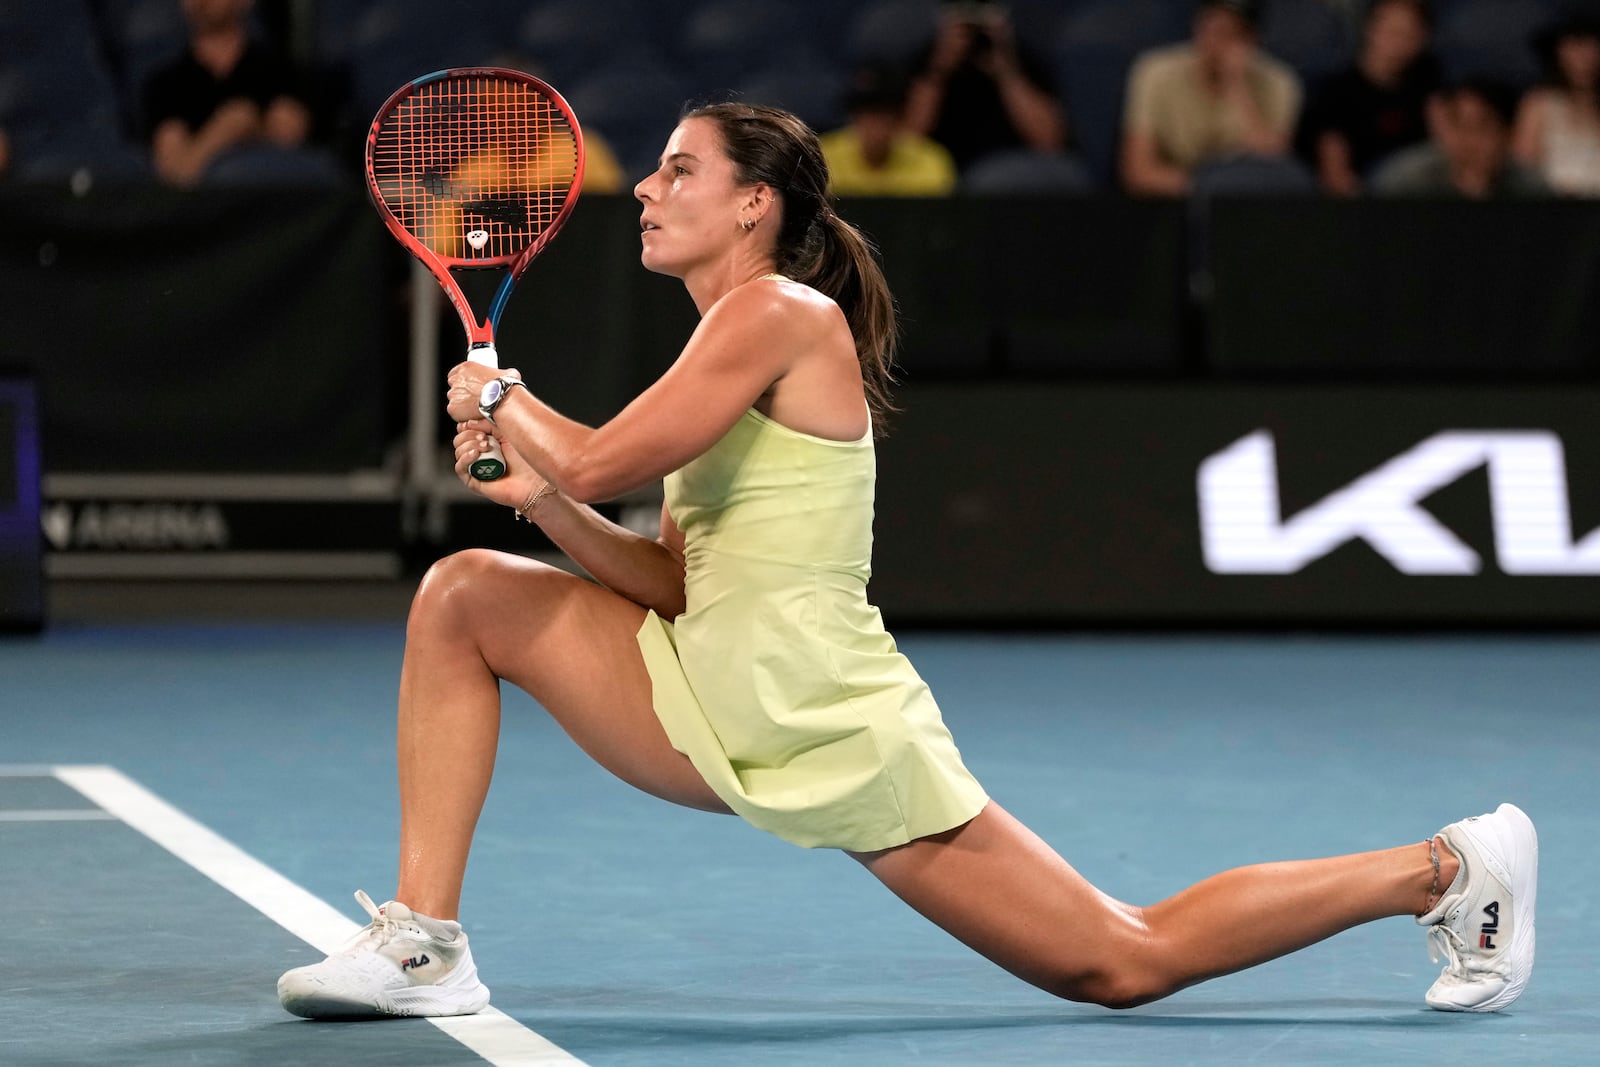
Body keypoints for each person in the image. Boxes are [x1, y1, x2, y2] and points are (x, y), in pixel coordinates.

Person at [275, 101, 1538, 1021]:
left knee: (1119, 958)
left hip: (822, 710)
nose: (647, 191)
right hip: (705, 674)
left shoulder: (779, 311)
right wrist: (541, 504)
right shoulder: (726, 329)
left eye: (677, 171)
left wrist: (507, 404)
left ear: (753, 203)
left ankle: (1443, 870)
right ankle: (424, 941)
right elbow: (668, 576)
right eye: (651, 174)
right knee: (467, 593)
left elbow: (600, 455)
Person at [1121, 0, 1304, 196]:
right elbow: (1138, 171)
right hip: (1174, 201)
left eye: (1229, 34)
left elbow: (1274, 169)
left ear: (1251, 40)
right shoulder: (1155, 72)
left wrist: (1236, 86)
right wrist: (1208, 188)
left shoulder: (1279, 82)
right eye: (1208, 28)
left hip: (1248, 201)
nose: (1213, 41)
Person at [141, 0, 313, 186]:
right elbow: (174, 169)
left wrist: (242, 128)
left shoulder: (281, 73)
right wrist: (229, 129)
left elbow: (288, 138)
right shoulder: (166, 84)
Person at [1296, 0, 1442, 197]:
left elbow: (1446, 147)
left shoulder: (1430, 81)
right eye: (1392, 32)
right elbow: (1335, 173)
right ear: (1370, 29)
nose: (1399, 43)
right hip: (1368, 200)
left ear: (1423, 40)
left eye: (1410, 34)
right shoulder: (1337, 92)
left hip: (1424, 197)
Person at [903, 0, 1069, 173]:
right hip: (942, 174)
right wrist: (940, 69)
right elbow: (907, 142)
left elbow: (1050, 142)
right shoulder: (928, 60)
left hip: (1012, 175)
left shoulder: (1021, 59)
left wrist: (1007, 73)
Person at [1373, 76, 1549, 198]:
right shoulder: (1407, 181)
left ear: (1506, 133)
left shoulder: (1529, 189)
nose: (1468, 139)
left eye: (1481, 127)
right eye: (1458, 125)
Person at [819, 62, 958, 196]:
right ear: (854, 116)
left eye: (885, 114)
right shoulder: (824, 157)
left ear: (898, 118)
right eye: (869, 113)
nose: (876, 125)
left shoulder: (930, 160)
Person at [1513, 11, 1600, 196]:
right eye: (1575, 46)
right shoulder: (1539, 103)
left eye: (1592, 46)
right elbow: (1523, 168)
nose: (1584, 57)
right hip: (1555, 212)